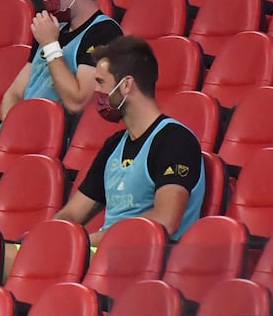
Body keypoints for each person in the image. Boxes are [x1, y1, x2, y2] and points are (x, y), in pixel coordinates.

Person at [50, 35, 205, 246]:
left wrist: (87, 242)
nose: (97, 92)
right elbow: (72, 213)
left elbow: (165, 220)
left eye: (101, 83)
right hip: (101, 253)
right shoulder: (114, 145)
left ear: (126, 85)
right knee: (16, 254)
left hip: (144, 257)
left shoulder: (175, 141)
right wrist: (48, 237)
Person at [0, 0, 122, 118]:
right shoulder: (51, 27)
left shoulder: (104, 33)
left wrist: (50, 45)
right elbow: (13, 94)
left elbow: (77, 102)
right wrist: (11, 129)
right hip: (19, 133)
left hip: (53, 138)